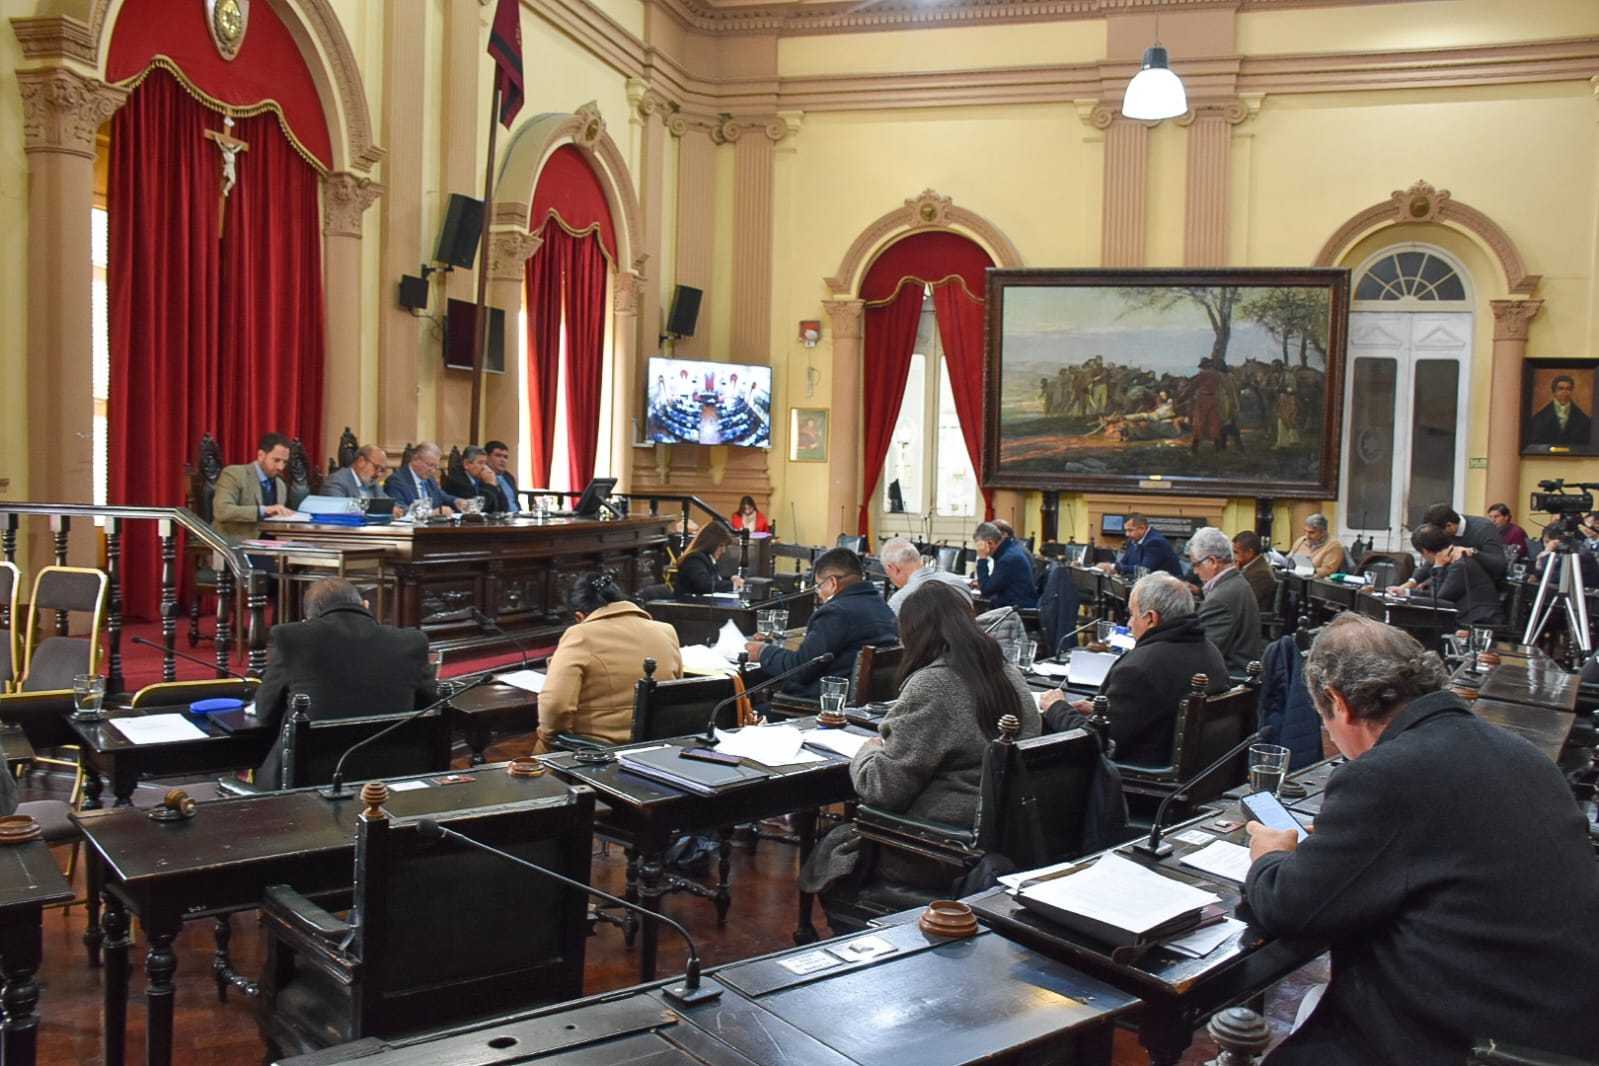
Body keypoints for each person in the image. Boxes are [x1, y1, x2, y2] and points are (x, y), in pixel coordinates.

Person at [1244, 614, 1599, 1065]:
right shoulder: (1524, 754)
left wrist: (1269, 856)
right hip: (1560, 1024)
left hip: (1470, 1043)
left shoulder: (1384, 775)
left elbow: (1290, 907)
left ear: (1338, 702)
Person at [798, 581, 1039, 893]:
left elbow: (880, 789)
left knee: (832, 851)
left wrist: (868, 751)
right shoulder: (1008, 672)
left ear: (915, 635)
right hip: (1002, 840)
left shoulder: (933, 684)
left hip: (935, 849)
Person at [251, 578, 437, 789]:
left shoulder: (291, 637)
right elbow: (434, 704)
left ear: (309, 618)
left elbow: (265, 713)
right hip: (393, 780)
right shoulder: (411, 641)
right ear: (365, 605)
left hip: (306, 785)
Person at [1039, 573, 1229, 766]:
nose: (1129, 624)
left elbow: (1096, 744)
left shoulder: (1138, 669)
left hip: (1138, 773)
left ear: (1151, 618)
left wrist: (1057, 709)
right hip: (1201, 771)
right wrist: (1101, 711)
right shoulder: (1212, 652)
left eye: (1132, 614)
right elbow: (1149, 710)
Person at [534, 571, 683, 755]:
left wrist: (549, 737)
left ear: (579, 617)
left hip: (592, 756)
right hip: (656, 753)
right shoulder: (667, 631)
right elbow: (675, 692)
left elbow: (555, 706)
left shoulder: (580, 634)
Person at [745, 547, 898, 699]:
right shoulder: (882, 606)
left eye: (819, 586)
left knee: (747, 706)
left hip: (823, 704)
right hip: (868, 703)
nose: (818, 593)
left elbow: (801, 670)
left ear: (832, 583)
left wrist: (763, 652)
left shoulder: (835, 613)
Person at [1188, 526, 1264, 673]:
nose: (1195, 571)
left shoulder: (1220, 599)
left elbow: (1204, 654)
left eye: (1196, 564)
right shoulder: (1235, 581)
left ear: (1212, 561)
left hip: (1230, 676)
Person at [1403, 523, 1502, 625]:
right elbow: (1440, 592)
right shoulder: (1450, 559)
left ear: (1425, 551)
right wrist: (1406, 592)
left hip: (1479, 622)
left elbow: (1438, 600)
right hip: (1464, 618)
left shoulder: (1459, 564)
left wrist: (1438, 567)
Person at [211, 431, 294, 542]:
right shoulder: (234, 474)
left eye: (285, 462)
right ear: (261, 455)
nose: (281, 467)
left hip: (270, 547)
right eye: (276, 460)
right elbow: (222, 511)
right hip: (232, 546)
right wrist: (264, 511)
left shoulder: (281, 485)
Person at [1403, 503, 1508, 587]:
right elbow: (1435, 556)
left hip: (1480, 589)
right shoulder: (1446, 531)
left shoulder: (1484, 528)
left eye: (1438, 534)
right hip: (1454, 583)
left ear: (1449, 526)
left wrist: (1472, 552)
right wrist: (1412, 582)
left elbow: (1499, 565)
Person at [879, 537, 971, 615]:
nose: (891, 580)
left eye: (889, 574)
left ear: (893, 568)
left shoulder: (899, 601)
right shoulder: (957, 582)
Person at [384, 442, 464, 516]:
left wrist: (457, 501)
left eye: (435, 467)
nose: (433, 471)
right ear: (415, 459)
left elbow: (441, 495)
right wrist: (431, 513)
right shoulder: (396, 481)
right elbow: (400, 509)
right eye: (430, 465)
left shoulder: (429, 479)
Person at [971, 521, 1038, 609]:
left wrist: (982, 559)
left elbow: (986, 591)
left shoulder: (1008, 559)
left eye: (980, 547)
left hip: (1016, 612)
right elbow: (996, 583)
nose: (979, 550)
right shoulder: (1010, 550)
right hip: (1011, 606)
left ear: (990, 543)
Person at [1097, 513, 1183, 577]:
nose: (1127, 534)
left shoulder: (1155, 542)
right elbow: (1123, 564)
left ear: (1142, 528)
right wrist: (1109, 567)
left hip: (1167, 588)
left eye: (1130, 530)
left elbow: (1143, 570)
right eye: (1126, 530)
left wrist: (1114, 567)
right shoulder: (1133, 540)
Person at [673, 522, 745, 596]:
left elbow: (713, 579)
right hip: (689, 602)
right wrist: (733, 584)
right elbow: (705, 585)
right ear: (710, 543)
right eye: (721, 546)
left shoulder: (706, 558)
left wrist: (731, 578)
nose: (723, 551)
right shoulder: (694, 559)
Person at [1527, 372, 1592, 447]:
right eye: (1560, 389)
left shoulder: (1583, 419)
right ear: (1554, 391)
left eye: (1568, 389)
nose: (1565, 392)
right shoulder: (1539, 418)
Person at [442, 446, 510, 513]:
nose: (484, 467)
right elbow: (477, 508)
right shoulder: (456, 480)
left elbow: (504, 509)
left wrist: (495, 484)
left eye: (485, 463)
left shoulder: (480, 479)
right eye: (480, 463)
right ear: (466, 464)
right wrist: (490, 485)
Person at [324, 444, 395, 507]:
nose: (378, 474)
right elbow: (340, 509)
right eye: (376, 467)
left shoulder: (374, 484)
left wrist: (395, 509)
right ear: (361, 461)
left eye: (382, 470)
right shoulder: (336, 481)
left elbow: (389, 504)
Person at [1285, 513, 1346, 578]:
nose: (1307, 536)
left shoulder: (1334, 546)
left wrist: (1309, 571)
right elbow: (1289, 558)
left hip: (1316, 581)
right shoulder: (1301, 540)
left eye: (1311, 532)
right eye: (1305, 531)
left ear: (1323, 532)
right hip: (1295, 576)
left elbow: (1328, 570)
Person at [1232, 530, 1277, 613]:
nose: (1234, 557)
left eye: (1236, 552)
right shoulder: (1251, 566)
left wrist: (1234, 574)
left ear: (1249, 552)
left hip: (1250, 618)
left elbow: (1241, 601)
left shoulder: (1261, 574)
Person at [484, 440, 521, 513]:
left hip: (517, 516)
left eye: (505, 457)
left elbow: (515, 502)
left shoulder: (509, 477)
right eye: (498, 456)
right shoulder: (482, 477)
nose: (503, 460)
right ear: (487, 457)